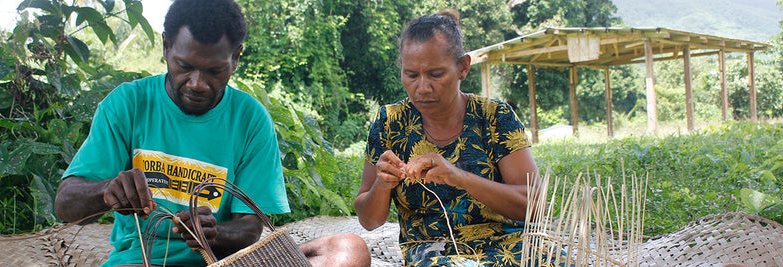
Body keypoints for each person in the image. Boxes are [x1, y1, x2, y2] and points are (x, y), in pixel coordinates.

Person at [53, 0, 371, 266]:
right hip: (142, 261)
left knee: (349, 251)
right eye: (184, 66)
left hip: (225, 262)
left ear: (236, 58)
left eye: (215, 71)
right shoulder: (129, 104)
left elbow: (250, 230)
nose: (197, 83)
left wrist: (214, 232)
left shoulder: (250, 119)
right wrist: (106, 190)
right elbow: (65, 205)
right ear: (166, 48)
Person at [354, 12, 542, 266]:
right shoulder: (390, 123)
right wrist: (383, 184)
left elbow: (534, 206)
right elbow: (369, 221)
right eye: (411, 75)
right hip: (435, 252)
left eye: (435, 74)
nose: (422, 88)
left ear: (463, 67)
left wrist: (459, 176)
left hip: (511, 245)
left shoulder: (495, 116)